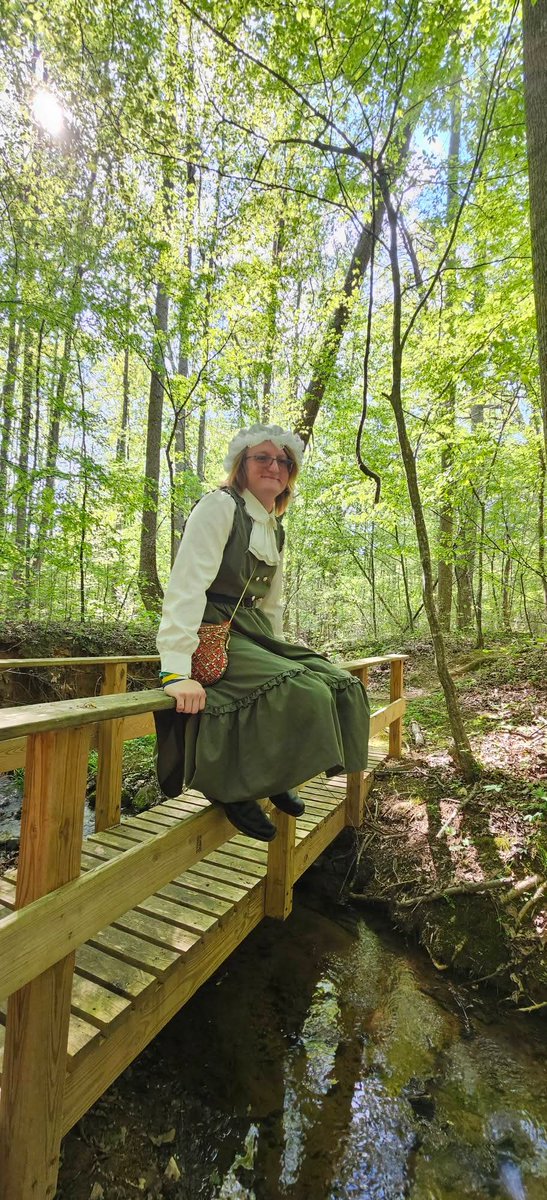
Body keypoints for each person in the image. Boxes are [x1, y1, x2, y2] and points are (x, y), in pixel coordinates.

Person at [154, 423, 370, 842]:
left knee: (339, 684)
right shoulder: (220, 506)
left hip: (252, 628)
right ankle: (230, 789)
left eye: (283, 461)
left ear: (290, 473)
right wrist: (176, 670)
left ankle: (272, 775)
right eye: (262, 458)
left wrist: (279, 651)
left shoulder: (274, 526)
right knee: (302, 692)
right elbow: (186, 587)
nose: (274, 466)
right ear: (242, 466)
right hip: (210, 625)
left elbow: (271, 603)